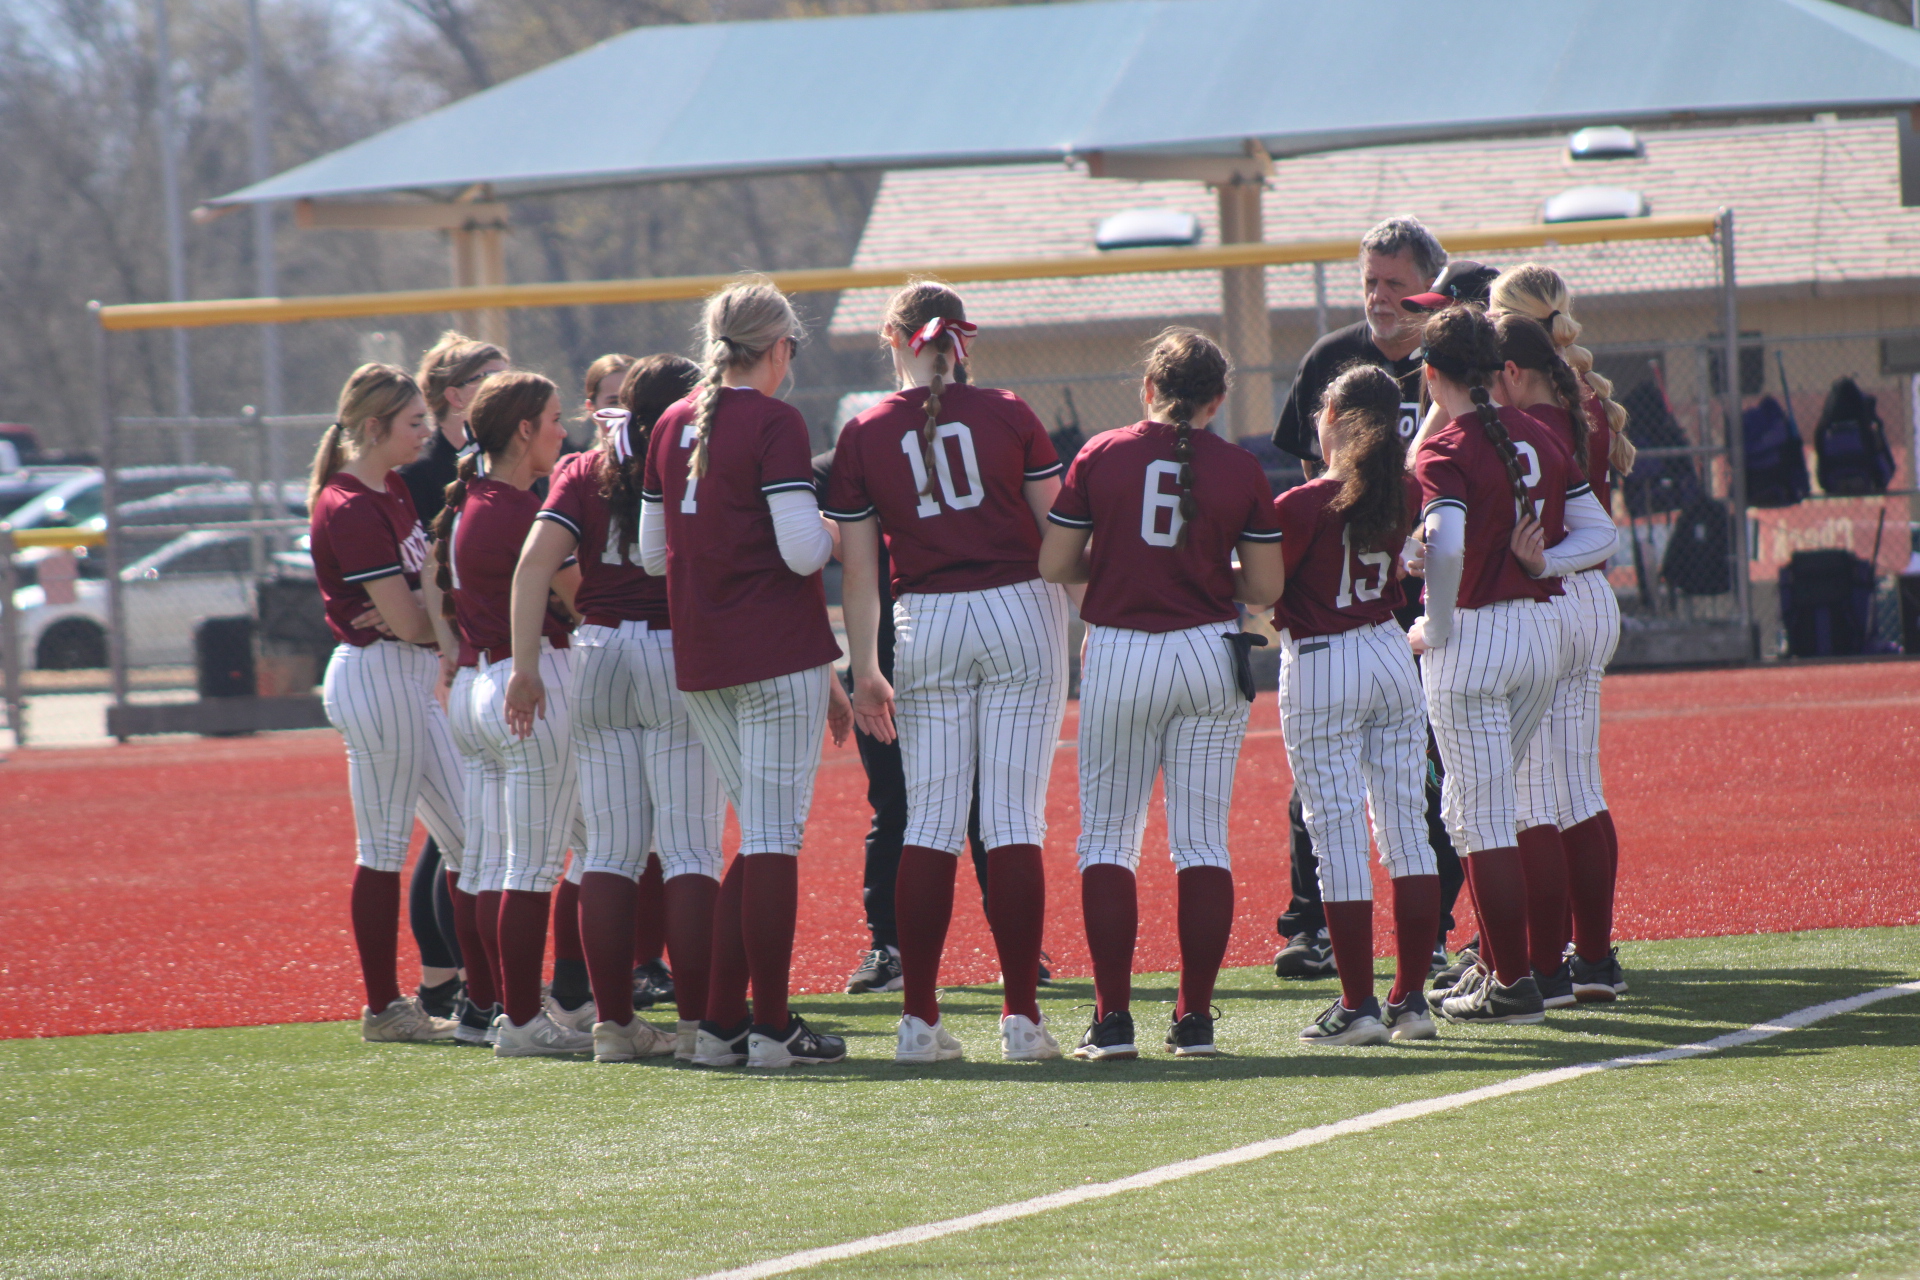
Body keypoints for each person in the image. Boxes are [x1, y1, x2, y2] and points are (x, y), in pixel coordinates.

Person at [827, 281, 1070, 1064]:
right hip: (1018, 611)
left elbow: (860, 574)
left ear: (892, 337)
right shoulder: (1009, 412)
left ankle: (919, 1022)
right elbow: (1059, 538)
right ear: (961, 341)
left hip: (924, 619)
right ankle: (1022, 1019)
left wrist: (864, 665)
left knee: (928, 825)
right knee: (1013, 821)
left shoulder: (863, 433)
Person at [1040, 328, 1285, 1059]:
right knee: (1201, 842)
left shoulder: (1103, 454)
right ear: (1217, 399)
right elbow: (1267, 586)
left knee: (1109, 841)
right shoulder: (1240, 467)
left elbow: (1057, 561)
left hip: (1121, 653)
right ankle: (1195, 1019)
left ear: (1149, 388)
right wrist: (1212, 579)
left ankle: (1113, 1020)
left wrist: (1121, 565)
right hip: (1210, 650)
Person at [640, 277, 853, 1070]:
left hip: (702, 658)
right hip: (772, 653)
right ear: (781, 346)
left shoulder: (670, 421)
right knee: (771, 841)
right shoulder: (774, 420)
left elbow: (651, 553)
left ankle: (724, 1023)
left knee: (756, 840)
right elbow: (803, 551)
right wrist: (838, 531)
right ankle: (770, 1026)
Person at [505, 354, 723, 1064]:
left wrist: (527, 667)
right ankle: (696, 1025)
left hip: (596, 650)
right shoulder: (693, 462)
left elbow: (534, 564)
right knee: (689, 847)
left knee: (609, 851)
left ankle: (613, 1026)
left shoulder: (581, 468)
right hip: (670, 651)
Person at [1269, 218, 1468, 979]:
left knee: (1383, 799)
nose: (1381, 298)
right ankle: (1338, 940)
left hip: (1374, 620)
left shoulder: (1447, 361)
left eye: (1395, 283)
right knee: (1396, 811)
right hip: (1385, 612)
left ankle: (1380, 978)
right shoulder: (1333, 357)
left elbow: (1276, 549)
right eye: (1371, 284)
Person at [1408, 305, 1610, 1026]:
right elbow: (1601, 531)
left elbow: (1450, 540)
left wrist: (1433, 624)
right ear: (1499, 370)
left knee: (1478, 815)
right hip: (1540, 632)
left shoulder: (1447, 445)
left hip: (1476, 638)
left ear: (1433, 375)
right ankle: (1517, 971)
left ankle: (1515, 981)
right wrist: (1546, 561)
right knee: (1509, 806)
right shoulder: (1538, 430)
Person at [1273, 366, 1440, 1046]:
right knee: (1407, 828)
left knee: (1336, 833)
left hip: (1322, 659)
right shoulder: (1405, 487)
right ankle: (1411, 1001)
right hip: (1389, 651)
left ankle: (1358, 1004)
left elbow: (1258, 585)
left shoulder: (1303, 503)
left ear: (1334, 414)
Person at [429, 370, 592, 1057]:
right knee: (540, 865)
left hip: (475, 682)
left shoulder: (473, 498)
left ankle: (501, 1008)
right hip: (526, 683)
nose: (563, 430)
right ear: (523, 429)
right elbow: (581, 597)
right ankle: (526, 1019)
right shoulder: (520, 506)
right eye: (554, 418)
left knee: (491, 866)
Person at [1489, 265, 1636, 1003]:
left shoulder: (1522, 421)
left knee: (1531, 796)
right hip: (1591, 599)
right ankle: (1595, 960)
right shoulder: (1584, 400)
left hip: (1549, 591)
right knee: (1577, 787)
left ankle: (1539, 966)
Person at [308, 363, 464, 1042]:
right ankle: (383, 1006)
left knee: (475, 835)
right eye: (413, 422)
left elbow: (418, 602)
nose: (425, 432)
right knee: (384, 847)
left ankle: (485, 992)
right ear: (373, 428)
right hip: (375, 676)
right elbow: (405, 620)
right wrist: (451, 616)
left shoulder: (392, 487)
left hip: (404, 674)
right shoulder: (349, 502)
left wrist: (431, 609)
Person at [396, 331, 508, 1012]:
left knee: (455, 830)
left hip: (457, 655)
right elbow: (422, 573)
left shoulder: (477, 459)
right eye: (494, 376)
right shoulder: (422, 469)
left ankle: (446, 979)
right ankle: (456, 976)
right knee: (461, 830)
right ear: (456, 394)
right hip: (435, 659)